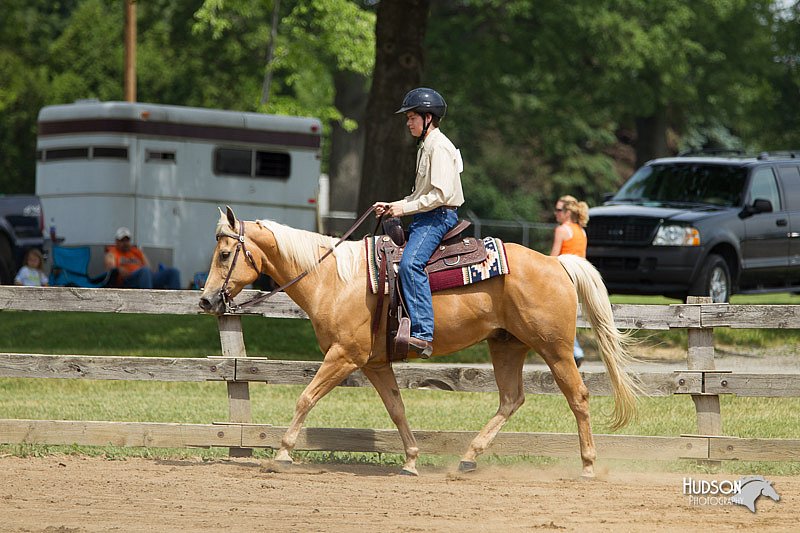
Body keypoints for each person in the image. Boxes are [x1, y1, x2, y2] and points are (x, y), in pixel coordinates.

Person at [373, 87, 465, 358]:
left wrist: (403, 208)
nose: (408, 122)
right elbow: (420, 195)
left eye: (412, 117)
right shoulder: (426, 146)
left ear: (428, 118)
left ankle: (423, 333)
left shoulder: (439, 147)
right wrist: (394, 206)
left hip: (438, 216)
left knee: (411, 264)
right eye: (408, 118)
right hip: (427, 214)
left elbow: (439, 196)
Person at [549, 195, 590, 368]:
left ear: (567, 213)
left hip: (563, 277)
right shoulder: (581, 231)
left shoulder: (562, 230)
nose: (556, 213)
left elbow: (553, 257)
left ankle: (575, 351)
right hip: (578, 279)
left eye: (559, 210)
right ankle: (575, 351)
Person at [105, 227, 181, 289]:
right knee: (144, 271)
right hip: (128, 280)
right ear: (117, 241)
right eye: (122, 241)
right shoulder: (112, 252)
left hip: (145, 277)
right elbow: (111, 269)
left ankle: (177, 301)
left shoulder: (136, 251)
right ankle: (148, 300)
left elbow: (148, 267)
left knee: (173, 272)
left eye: (127, 240)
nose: (125, 243)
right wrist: (119, 269)